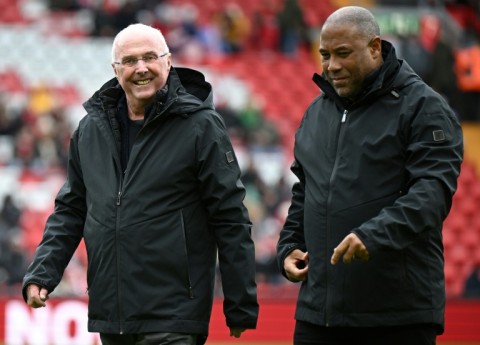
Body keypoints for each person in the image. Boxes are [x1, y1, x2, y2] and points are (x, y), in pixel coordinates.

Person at [22, 23, 258, 345]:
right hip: (112, 314)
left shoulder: (201, 126)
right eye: (130, 61)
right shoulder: (90, 130)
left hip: (174, 313)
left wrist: (240, 302)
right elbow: (71, 210)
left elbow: (229, 217)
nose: (141, 68)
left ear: (168, 61)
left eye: (150, 57)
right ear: (115, 70)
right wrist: (42, 273)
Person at [276, 6, 463, 345]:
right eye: (325, 55)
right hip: (319, 314)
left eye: (343, 54)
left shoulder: (424, 106)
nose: (332, 66)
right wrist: (290, 245)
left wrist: (374, 235)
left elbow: (432, 192)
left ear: (375, 47)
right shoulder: (316, 112)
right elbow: (306, 190)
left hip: (396, 316)